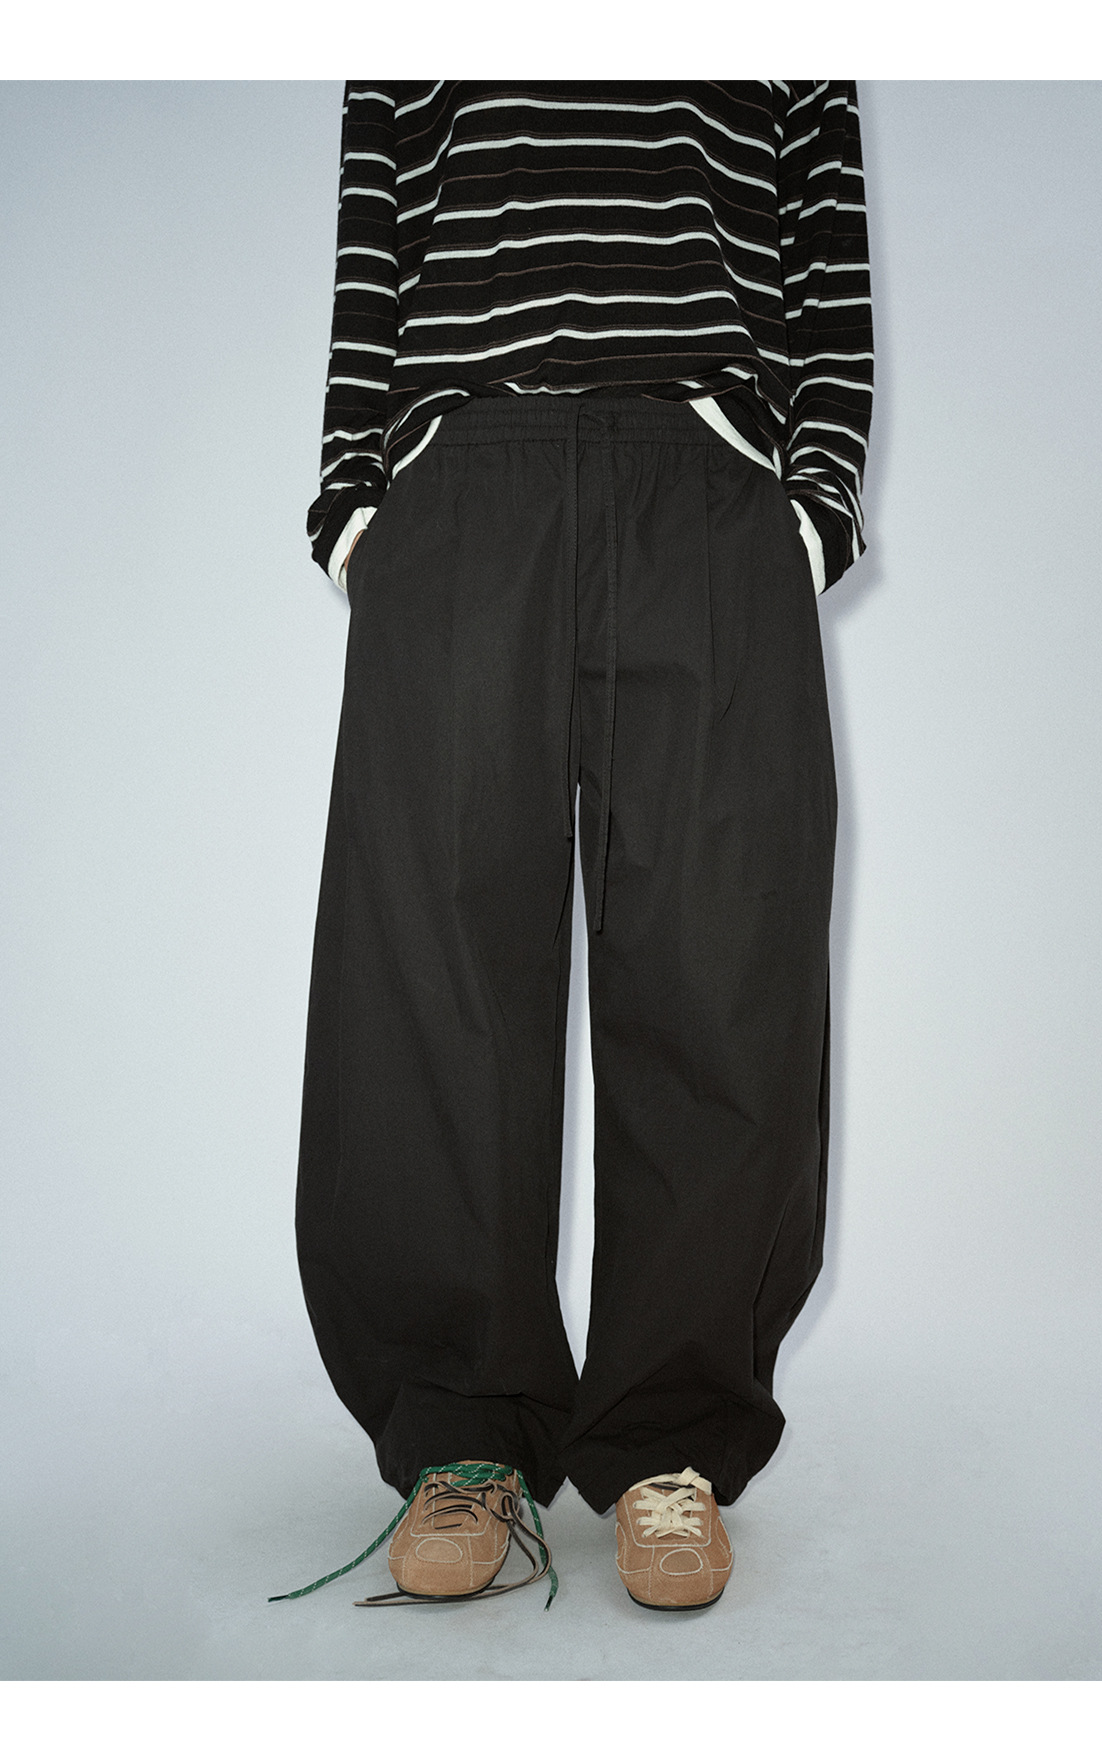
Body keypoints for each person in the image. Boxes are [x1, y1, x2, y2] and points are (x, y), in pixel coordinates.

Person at [271, 78, 872, 1614]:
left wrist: (811, 499)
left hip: (707, 479)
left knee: (721, 964)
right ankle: (460, 1433)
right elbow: (378, 209)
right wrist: (358, 493)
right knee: (435, 973)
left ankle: (672, 1441)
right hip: (467, 471)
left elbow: (824, 221)